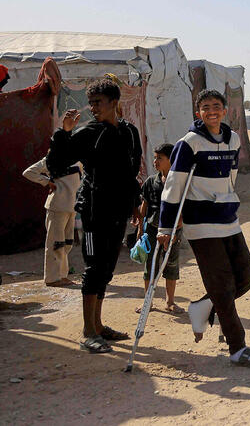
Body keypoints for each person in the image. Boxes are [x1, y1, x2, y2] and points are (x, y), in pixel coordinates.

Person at [158, 88, 250, 366]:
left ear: (225, 110)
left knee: (246, 276)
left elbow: (231, 177)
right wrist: (165, 228)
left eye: (216, 106)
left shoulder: (234, 139)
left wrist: (227, 202)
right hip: (201, 223)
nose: (212, 111)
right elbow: (174, 186)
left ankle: (203, 306)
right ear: (198, 112)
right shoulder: (189, 143)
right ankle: (237, 347)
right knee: (222, 283)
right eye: (206, 107)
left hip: (228, 219)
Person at [46, 78, 143, 354]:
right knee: (94, 268)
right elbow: (55, 163)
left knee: (107, 269)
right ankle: (88, 331)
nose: (93, 108)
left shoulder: (130, 133)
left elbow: (131, 172)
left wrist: (135, 204)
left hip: (118, 211)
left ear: (115, 102)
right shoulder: (89, 133)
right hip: (94, 210)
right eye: (91, 103)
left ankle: (99, 326)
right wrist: (63, 133)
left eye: (98, 102)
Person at [136, 143, 182, 314]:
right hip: (152, 229)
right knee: (150, 266)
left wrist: (177, 229)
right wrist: (141, 228)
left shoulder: (178, 182)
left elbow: (184, 208)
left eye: (159, 158)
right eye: (155, 158)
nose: (155, 161)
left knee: (171, 265)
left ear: (171, 160)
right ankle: (148, 302)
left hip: (173, 231)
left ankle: (170, 302)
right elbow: (144, 207)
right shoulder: (150, 182)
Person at [22, 156, 82, 287]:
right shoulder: (51, 159)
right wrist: (47, 181)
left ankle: (62, 275)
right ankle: (52, 278)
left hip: (72, 206)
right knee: (55, 243)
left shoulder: (78, 158)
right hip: (57, 206)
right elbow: (29, 172)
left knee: (66, 243)